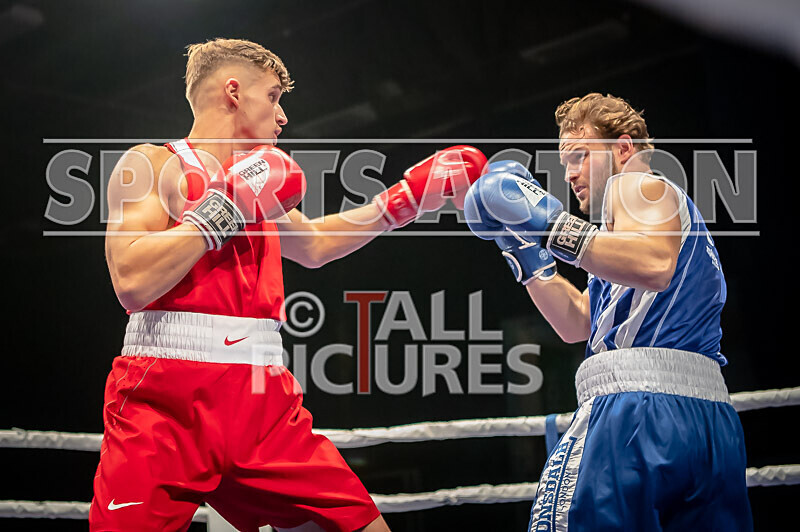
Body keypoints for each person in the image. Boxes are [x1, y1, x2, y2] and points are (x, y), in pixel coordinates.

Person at [92, 37, 486, 532]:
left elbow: (315, 244)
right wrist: (223, 208)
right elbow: (131, 279)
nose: (282, 117)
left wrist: (404, 201)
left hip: (261, 394)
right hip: (163, 395)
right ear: (233, 92)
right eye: (274, 96)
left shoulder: (260, 183)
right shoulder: (151, 163)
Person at [465, 93, 753, 530]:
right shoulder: (630, 234)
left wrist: (550, 225)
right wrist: (525, 252)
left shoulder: (637, 185)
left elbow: (653, 264)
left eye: (579, 155)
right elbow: (578, 322)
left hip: (636, 412)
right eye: (564, 164)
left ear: (622, 148)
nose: (570, 174)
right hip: (707, 423)